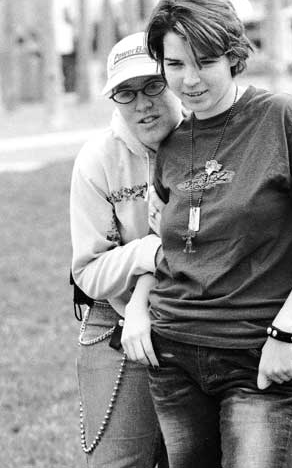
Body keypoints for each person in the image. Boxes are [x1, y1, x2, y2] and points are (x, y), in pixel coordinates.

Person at [120, 0, 292, 468]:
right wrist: (140, 309)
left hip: (260, 352)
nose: (189, 81)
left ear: (233, 55)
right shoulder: (171, 145)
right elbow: (162, 246)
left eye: (203, 61)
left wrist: (285, 333)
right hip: (175, 356)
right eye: (175, 65)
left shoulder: (283, 119)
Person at [70, 31, 182, 468]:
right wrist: (149, 252)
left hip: (198, 313)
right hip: (113, 316)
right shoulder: (97, 160)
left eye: (154, 85)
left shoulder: (206, 141)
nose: (143, 103)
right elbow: (90, 272)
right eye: (126, 93)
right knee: (119, 460)